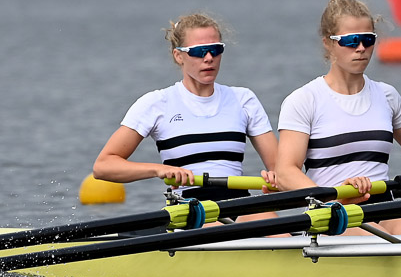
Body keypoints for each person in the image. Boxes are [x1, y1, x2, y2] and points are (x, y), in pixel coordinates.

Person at [92, 12, 279, 220]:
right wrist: (158, 170)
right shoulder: (157, 104)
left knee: (272, 224)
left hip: (241, 205)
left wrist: (275, 180)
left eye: (216, 50)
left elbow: (281, 171)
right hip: (190, 209)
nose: (209, 58)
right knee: (214, 231)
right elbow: (103, 166)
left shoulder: (244, 99)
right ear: (178, 56)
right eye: (199, 52)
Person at [276, 0, 401, 236]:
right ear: (328, 43)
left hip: (383, 204)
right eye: (350, 41)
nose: (361, 48)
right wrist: (332, 197)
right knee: (375, 244)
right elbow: (286, 172)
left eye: (368, 40)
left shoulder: (387, 96)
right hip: (332, 212)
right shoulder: (305, 100)